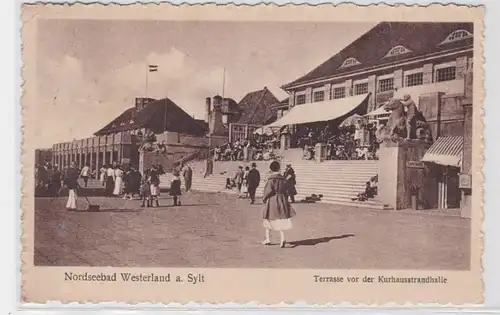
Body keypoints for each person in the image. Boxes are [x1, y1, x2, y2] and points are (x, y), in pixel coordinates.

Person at [261, 161, 296, 248]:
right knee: (280, 220)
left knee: (268, 219)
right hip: (281, 199)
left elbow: (268, 191)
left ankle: (268, 239)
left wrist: (264, 198)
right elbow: (286, 190)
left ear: (271, 169)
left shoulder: (271, 179)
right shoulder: (283, 179)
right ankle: (282, 238)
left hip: (272, 200)